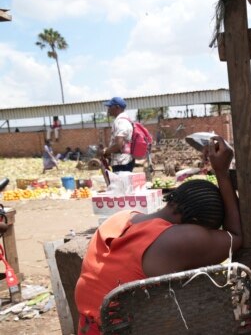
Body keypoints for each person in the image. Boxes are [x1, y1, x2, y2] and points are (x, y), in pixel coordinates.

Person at [75, 135, 241, 334]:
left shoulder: (121, 218)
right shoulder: (178, 238)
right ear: (195, 225)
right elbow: (235, 237)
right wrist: (222, 172)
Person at [102, 97, 134, 172]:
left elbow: (118, 145)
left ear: (117, 107)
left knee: (121, 183)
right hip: (123, 161)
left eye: (110, 106)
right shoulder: (125, 119)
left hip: (122, 162)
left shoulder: (121, 122)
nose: (108, 109)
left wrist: (105, 151)